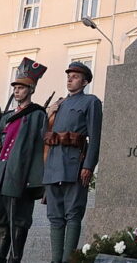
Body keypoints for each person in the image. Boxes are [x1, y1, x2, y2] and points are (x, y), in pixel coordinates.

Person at [0, 58, 48, 263]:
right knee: (2, 222)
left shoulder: (37, 114)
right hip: (2, 176)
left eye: (21, 88)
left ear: (30, 90)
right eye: (15, 87)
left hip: (21, 177)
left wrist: (34, 181)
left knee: (19, 223)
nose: (17, 91)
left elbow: (37, 149)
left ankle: (15, 260)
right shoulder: (5, 117)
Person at [42, 61, 102, 263]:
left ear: (84, 82)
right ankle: (55, 260)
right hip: (53, 164)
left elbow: (95, 137)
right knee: (55, 216)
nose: (70, 79)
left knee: (73, 214)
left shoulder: (91, 101)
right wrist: (49, 112)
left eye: (75, 76)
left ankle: (69, 260)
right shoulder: (59, 104)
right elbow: (44, 135)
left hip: (75, 163)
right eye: (68, 75)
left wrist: (88, 166)